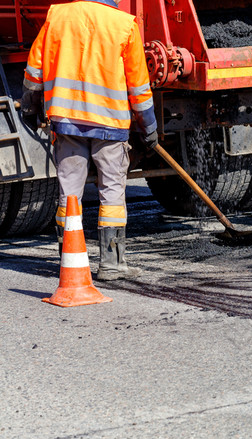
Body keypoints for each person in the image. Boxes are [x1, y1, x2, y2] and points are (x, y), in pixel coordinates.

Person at [21, 0, 158, 280]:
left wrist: (30, 108)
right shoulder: (124, 25)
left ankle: (69, 261)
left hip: (68, 121)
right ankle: (111, 264)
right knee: (112, 192)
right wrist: (149, 127)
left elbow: (34, 70)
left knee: (69, 194)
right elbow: (139, 86)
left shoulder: (57, 16)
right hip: (110, 125)